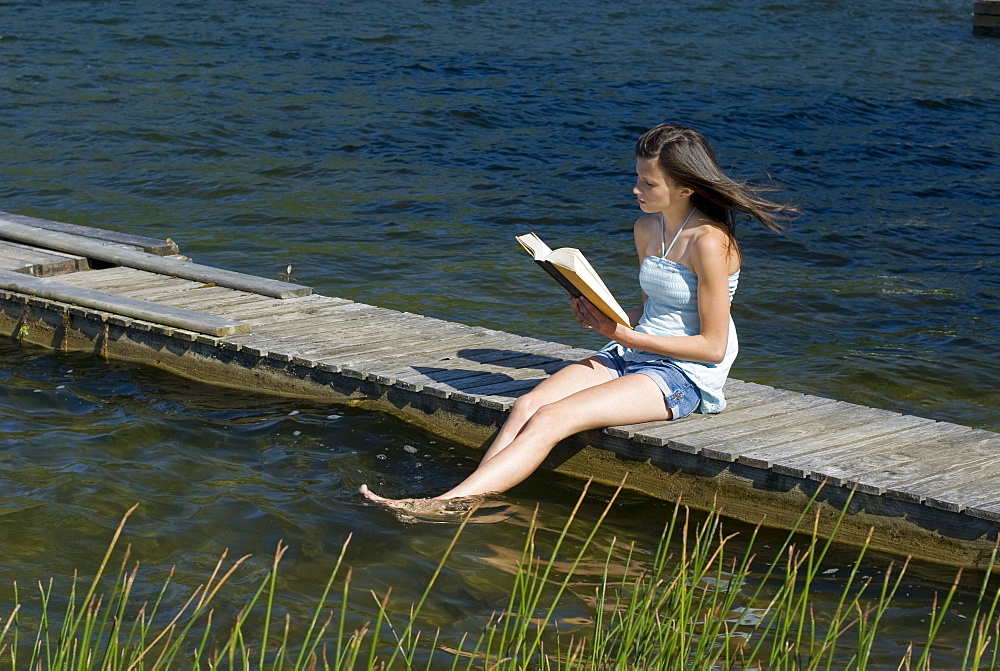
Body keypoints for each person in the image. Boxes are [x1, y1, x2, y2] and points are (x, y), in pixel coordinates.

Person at [361, 123, 796, 513]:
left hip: (685, 373)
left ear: (685, 188)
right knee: (528, 404)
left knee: (554, 418)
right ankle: (469, 495)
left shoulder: (711, 241)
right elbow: (651, 308)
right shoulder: (648, 228)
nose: (636, 189)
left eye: (649, 182)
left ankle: (445, 505)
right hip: (632, 348)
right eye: (637, 177)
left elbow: (712, 345)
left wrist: (622, 332)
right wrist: (602, 314)